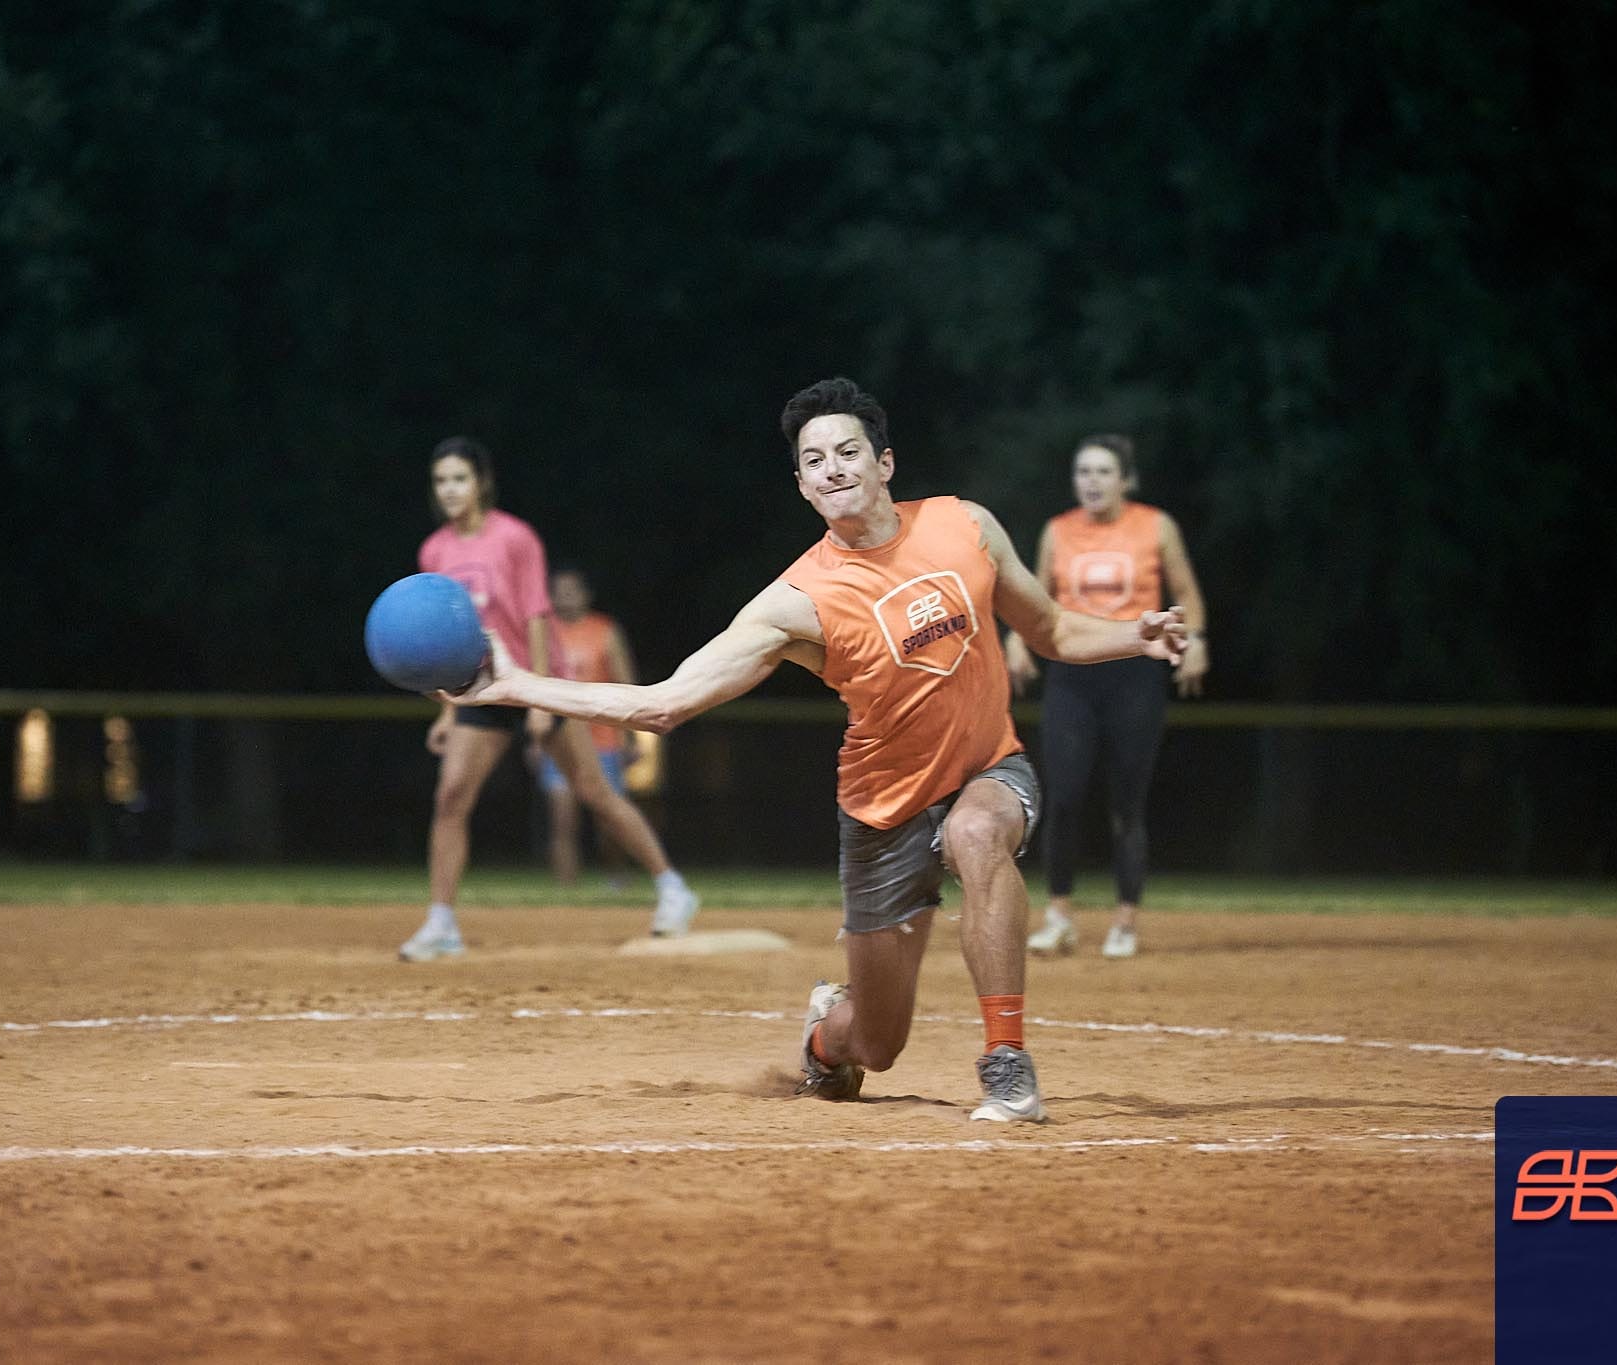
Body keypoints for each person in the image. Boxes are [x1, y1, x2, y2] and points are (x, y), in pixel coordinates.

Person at [440, 379, 1188, 1122]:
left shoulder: (966, 526)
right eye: (814, 460)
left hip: (988, 768)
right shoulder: (795, 601)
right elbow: (659, 703)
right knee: (877, 1041)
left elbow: (1051, 628)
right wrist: (515, 684)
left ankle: (1007, 1066)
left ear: (885, 462)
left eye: (848, 451)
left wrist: (1135, 635)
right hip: (882, 813)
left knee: (978, 830)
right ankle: (826, 1038)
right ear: (801, 485)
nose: (833, 467)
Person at [396, 436, 699, 962]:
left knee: (596, 794)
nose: (450, 489)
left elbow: (537, 615)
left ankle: (673, 888)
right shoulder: (435, 550)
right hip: (480, 688)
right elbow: (446, 634)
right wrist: (448, 710)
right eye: (441, 480)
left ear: (481, 483)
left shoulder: (515, 538)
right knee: (450, 798)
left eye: (460, 478)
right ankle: (441, 921)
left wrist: (537, 697)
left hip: (536, 678)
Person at [1005, 435, 1209, 961]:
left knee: (1127, 805)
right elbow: (1034, 597)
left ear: (1126, 480)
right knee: (1064, 797)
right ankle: (1059, 918)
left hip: (1136, 675)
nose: (1091, 481)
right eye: (1082, 472)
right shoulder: (1059, 530)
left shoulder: (1155, 526)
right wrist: (1018, 641)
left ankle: (1124, 921)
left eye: (1102, 471)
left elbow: (1186, 594)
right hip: (1073, 675)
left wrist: (1197, 643)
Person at [537, 565, 641, 885]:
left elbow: (626, 683)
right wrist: (535, 740)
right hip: (559, 741)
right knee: (562, 819)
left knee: (609, 821)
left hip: (604, 741)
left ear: (586, 595)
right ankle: (566, 893)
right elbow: (534, 686)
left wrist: (632, 738)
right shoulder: (543, 631)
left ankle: (615, 878)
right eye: (559, 591)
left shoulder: (604, 630)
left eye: (572, 590)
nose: (565, 597)